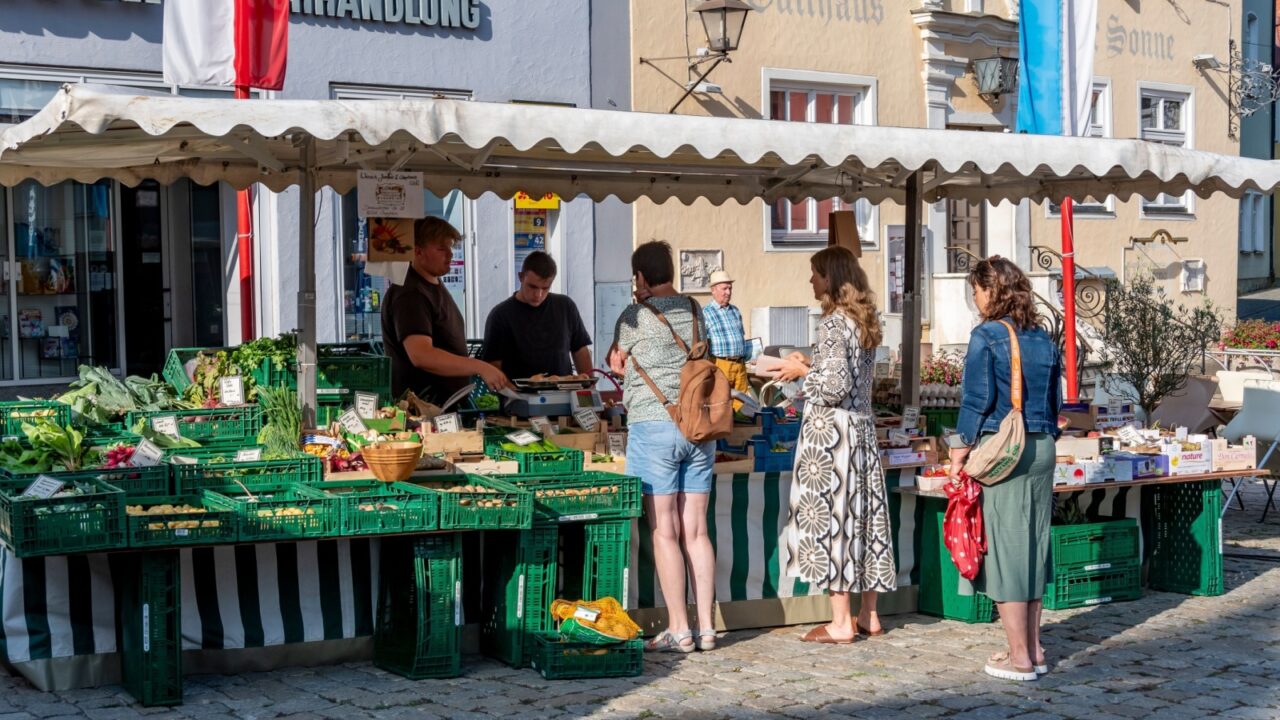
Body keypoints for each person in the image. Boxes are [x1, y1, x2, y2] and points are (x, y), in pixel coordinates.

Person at [947, 256, 1062, 682]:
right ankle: (1035, 647)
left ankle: (1019, 658)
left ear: (990, 290)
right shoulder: (1043, 337)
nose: (974, 299)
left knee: (1009, 554)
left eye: (976, 290)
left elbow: (976, 400)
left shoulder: (987, 335)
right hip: (1043, 446)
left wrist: (959, 451)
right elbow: (1055, 402)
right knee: (1033, 550)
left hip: (1006, 451)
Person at [774, 246, 896, 645]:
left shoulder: (831, 324)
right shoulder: (864, 322)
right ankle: (868, 614)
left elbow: (832, 387)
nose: (811, 280)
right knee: (864, 520)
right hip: (860, 430)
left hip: (832, 437)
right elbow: (848, 379)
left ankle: (841, 621)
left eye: (815, 274)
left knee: (834, 521)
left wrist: (797, 374)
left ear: (831, 278)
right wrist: (810, 364)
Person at [607, 240, 717, 654]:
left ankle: (678, 628)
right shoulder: (694, 309)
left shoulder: (634, 315)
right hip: (696, 427)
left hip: (653, 427)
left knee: (664, 530)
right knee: (697, 531)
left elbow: (617, 363)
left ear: (640, 276)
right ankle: (707, 627)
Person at [381, 216, 510, 405]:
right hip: (423, 411)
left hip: (444, 408)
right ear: (418, 251)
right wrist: (478, 366)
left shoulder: (432, 285)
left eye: (451, 247)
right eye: (441, 249)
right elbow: (421, 355)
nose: (450, 254)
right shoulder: (411, 294)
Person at [481, 251, 593, 380]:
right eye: (532, 287)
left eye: (545, 288)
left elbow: (580, 349)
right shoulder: (500, 315)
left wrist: (589, 387)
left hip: (565, 392)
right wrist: (512, 392)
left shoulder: (565, 306)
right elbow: (493, 365)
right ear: (521, 277)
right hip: (519, 396)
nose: (538, 295)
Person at [702, 270, 751, 411]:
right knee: (721, 404)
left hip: (740, 365)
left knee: (741, 406)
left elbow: (741, 337)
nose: (728, 292)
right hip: (719, 364)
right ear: (713, 290)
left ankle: (739, 432)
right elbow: (703, 343)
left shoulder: (735, 310)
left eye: (730, 288)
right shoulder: (705, 312)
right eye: (724, 288)